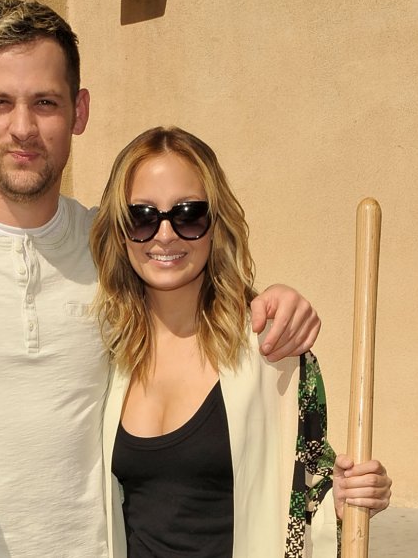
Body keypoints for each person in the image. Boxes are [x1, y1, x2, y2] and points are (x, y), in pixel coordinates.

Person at [0, 0, 320, 556]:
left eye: (45, 103)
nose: (22, 128)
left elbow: (199, 288)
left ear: (79, 111)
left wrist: (273, 300)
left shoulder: (115, 243)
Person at [90, 126, 392, 557]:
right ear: (120, 231)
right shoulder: (107, 354)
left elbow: (306, 491)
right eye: (142, 216)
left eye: (188, 213)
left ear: (216, 224)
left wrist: (346, 500)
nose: (165, 235)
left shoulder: (271, 351)